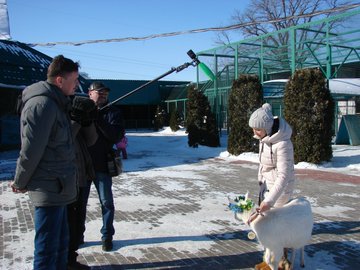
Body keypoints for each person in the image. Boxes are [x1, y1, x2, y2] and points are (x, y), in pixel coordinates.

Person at [11, 55, 80, 270]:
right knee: (47, 248)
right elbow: (30, 150)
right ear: (60, 80)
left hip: (59, 185)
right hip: (48, 187)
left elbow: (59, 142)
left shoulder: (57, 103)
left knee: (59, 246)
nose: (77, 84)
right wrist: (20, 181)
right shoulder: (42, 105)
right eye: (74, 79)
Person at [248, 103, 295, 270]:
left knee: (277, 229)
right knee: (267, 227)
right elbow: (263, 163)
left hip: (279, 190)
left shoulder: (282, 144)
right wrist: (261, 180)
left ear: (267, 127)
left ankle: (282, 264)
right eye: (253, 129)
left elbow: (284, 176)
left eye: (258, 129)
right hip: (267, 186)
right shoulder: (265, 138)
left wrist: (270, 200)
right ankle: (269, 260)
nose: (255, 132)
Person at [87, 81, 124, 251]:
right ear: (90, 93)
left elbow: (115, 136)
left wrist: (98, 119)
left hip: (103, 164)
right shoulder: (81, 111)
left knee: (107, 202)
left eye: (105, 93)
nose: (102, 95)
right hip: (83, 165)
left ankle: (107, 235)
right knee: (78, 203)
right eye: (99, 92)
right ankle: (77, 234)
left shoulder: (113, 113)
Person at [67, 96, 98, 270]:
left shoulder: (74, 114)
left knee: (78, 223)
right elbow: (63, 139)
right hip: (66, 178)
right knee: (67, 223)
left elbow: (91, 140)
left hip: (82, 176)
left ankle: (71, 258)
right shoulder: (58, 115)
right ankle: (64, 260)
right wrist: (76, 119)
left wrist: (88, 122)